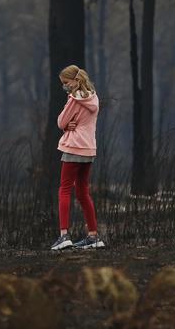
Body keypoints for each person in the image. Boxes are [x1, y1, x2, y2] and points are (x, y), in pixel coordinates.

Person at [50, 65, 105, 250]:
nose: (65, 86)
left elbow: (60, 122)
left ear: (75, 80)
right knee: (82, 192)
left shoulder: (74, 99)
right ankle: (93, 236)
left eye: (66, 83)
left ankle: (64, 235)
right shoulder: (94, 97)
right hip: (89, 148)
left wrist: (68, 125)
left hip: (73, 147)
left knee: (64, 190)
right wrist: (71, 124)